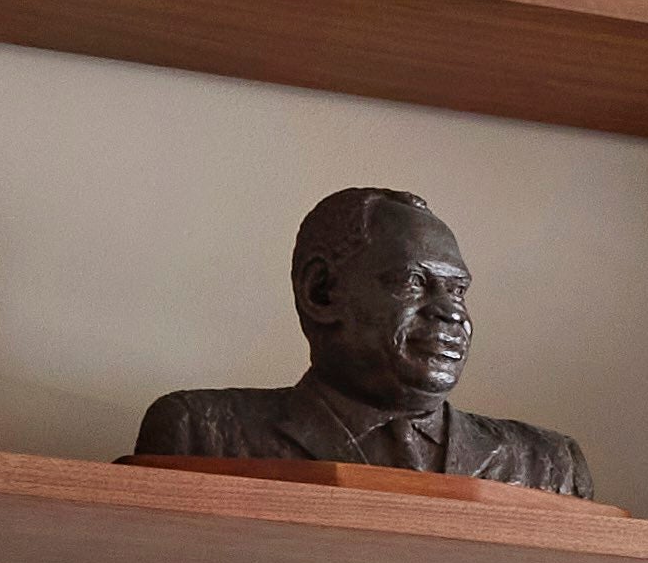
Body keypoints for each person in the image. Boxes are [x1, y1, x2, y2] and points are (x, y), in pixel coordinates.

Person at [124, 186, 598, 496]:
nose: (451, 312)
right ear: (321, 293)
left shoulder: (549, 468)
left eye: (458, 290)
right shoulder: (200, 434)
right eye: (413, 282)